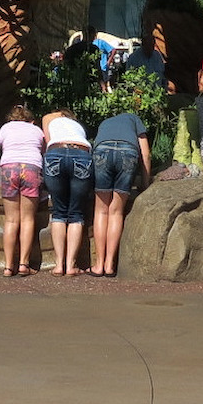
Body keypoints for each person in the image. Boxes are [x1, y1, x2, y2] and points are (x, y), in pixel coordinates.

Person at [89, 110, 150, 277]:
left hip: (102, 150)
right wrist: (146, 184)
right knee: (116, 212)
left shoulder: (105, 122)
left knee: (101, 210)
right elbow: (145, 154)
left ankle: (98, 264)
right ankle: (109, 265)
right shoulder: (135, 118)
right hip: (127, 152)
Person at [41, 107, 93, 276]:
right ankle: (71, 266)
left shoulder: (51, 119)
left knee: (58, 212)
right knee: (76, 213)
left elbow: (47, 142)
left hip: (56, 151)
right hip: (81, 153)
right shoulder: (77, 126)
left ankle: (58, 265)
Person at [0, 104, 44, 277]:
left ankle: (8, 266)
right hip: (31, 167)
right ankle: (24, 264)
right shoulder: (36, 130)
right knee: (27, 219)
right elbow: (41, 149)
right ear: (30, 120)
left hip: (9, 168)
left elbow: (2, 147)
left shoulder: (5, 128)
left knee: (11, 220)